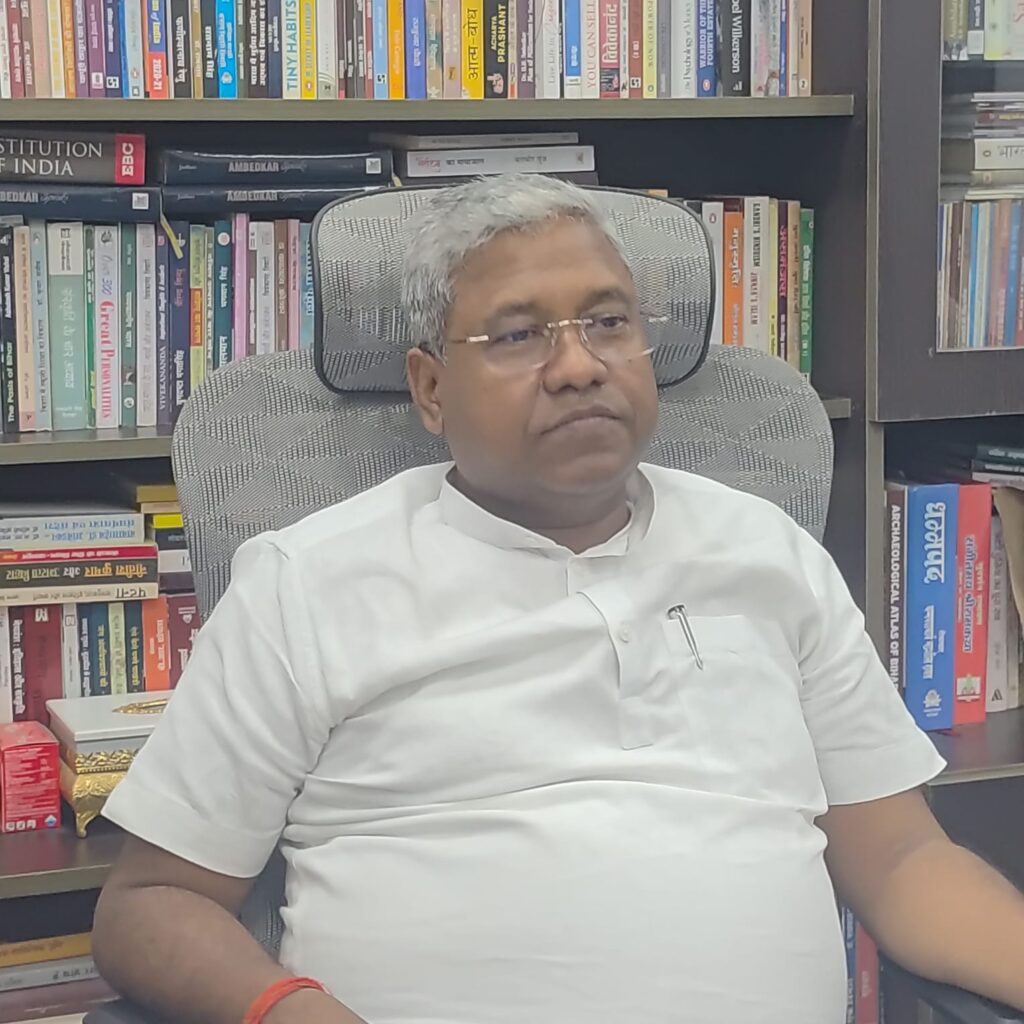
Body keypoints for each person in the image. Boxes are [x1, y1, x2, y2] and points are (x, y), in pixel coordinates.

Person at [93, 175, 1024, 1024]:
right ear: (430, 389)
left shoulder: (767, 551)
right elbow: (152, 905)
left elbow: (902, 861)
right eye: (518, 334)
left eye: (608, 322)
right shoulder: (306, 580)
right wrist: (290, 1012)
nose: (579, 366)